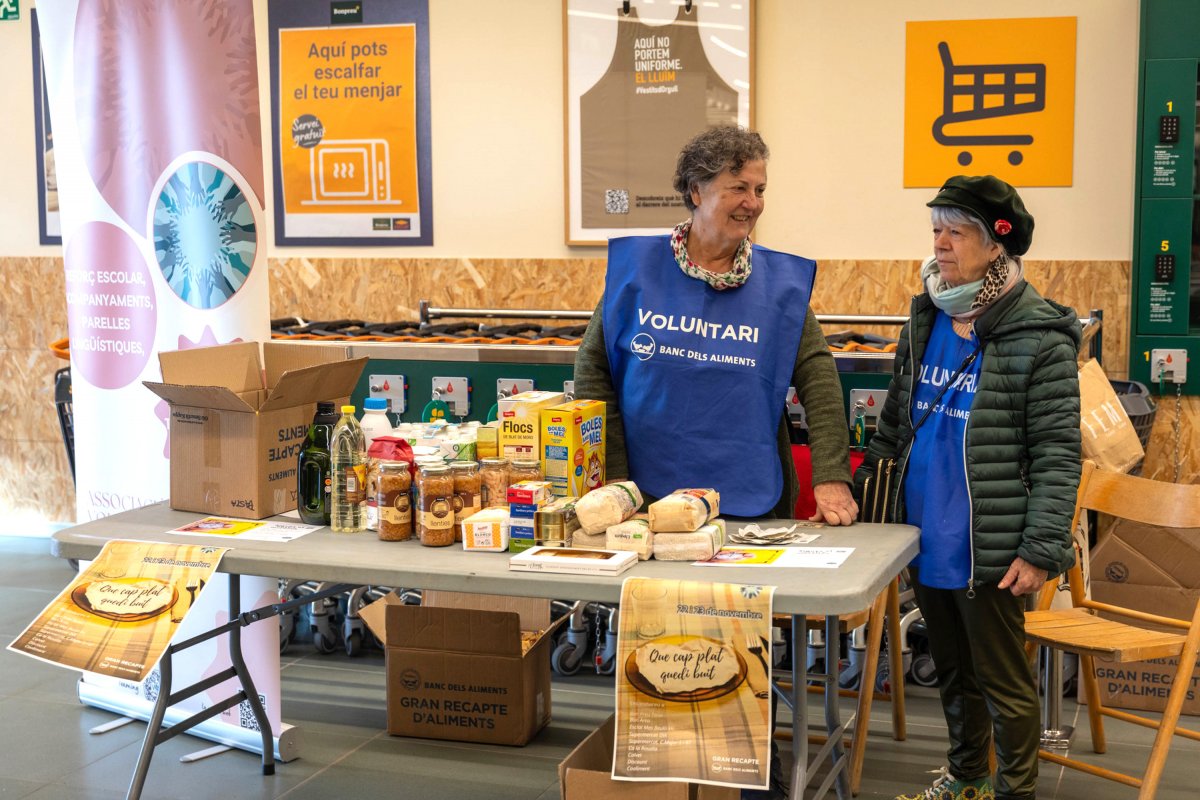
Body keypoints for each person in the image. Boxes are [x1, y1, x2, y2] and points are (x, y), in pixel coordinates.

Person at [855, 175, 1081, 800]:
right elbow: (897, 422)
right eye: (936, 230)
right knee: (953, 672)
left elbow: (1061, 454)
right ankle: (966, 779)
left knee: (1002, 680)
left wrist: (1040, 550)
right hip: (923, 534)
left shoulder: (1041, 339)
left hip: (991, 544)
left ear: (997, 246)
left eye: (957, 232)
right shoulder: (927, 313)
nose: (941, 244)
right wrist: (864, 494)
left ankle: (1015, 791)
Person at [573, 125, 857, 528]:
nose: (752, 203)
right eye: (738, 188)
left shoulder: (779, 286)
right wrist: (615, 475)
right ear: (696, 192)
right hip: (645, 498)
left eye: (760, 191)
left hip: (752, 499)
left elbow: (819, 379)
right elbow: (593, 371)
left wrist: (831, 476)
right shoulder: (637, 273)